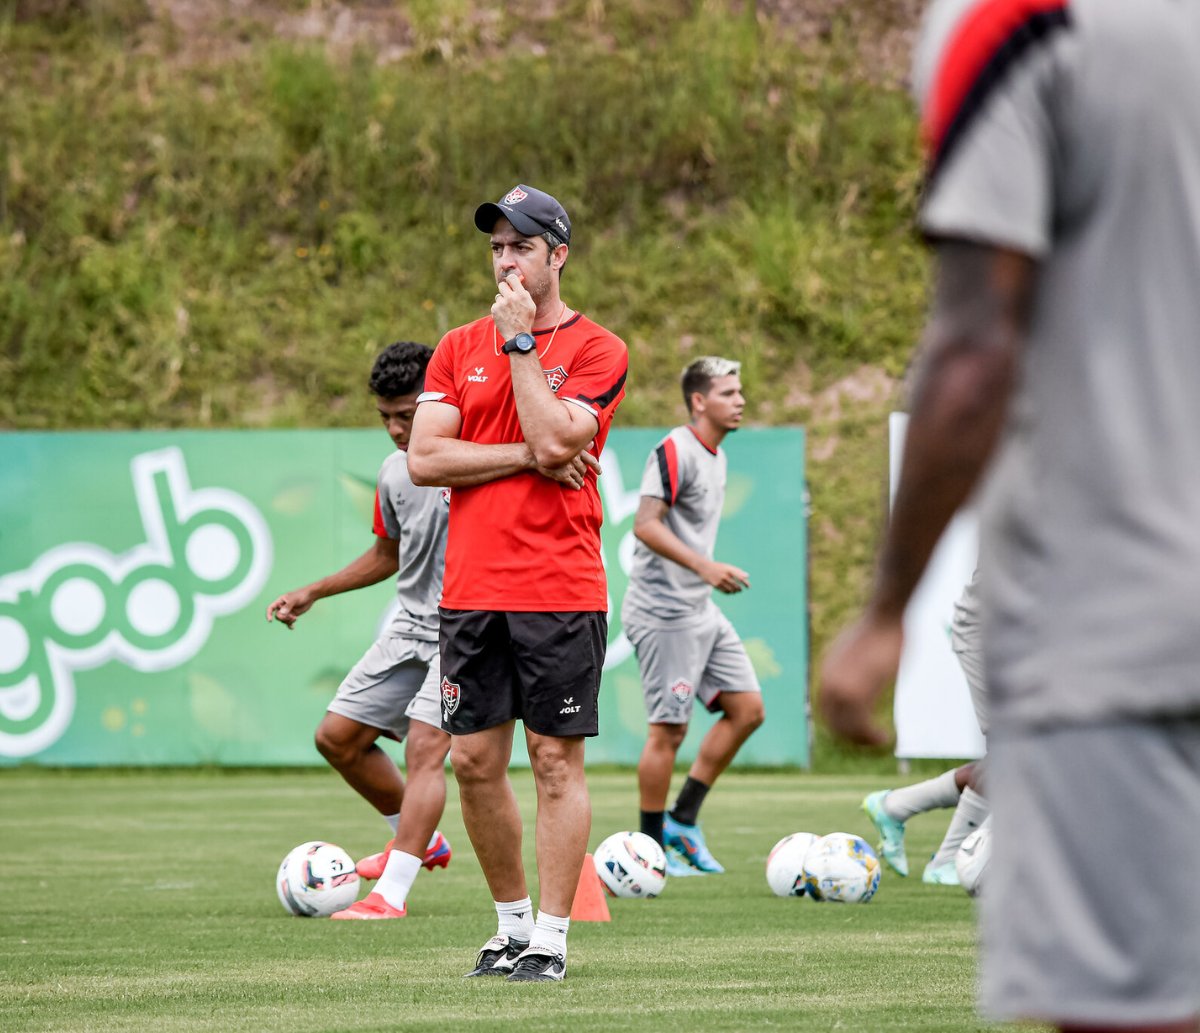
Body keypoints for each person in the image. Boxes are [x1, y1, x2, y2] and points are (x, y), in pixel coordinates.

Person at [820, 2, 1200, 1030]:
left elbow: (979, 343)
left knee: (1132, 1008)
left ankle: (927, 825)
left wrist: (884, 609)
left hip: (1129, 601)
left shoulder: (1015, 24)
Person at [407, 184, 627, 983]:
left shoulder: (599, 347)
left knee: (554, 761)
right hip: (470, 588)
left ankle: (554, 938)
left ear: (557, 256)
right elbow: (426, 459)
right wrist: (531, 456)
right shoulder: (454, 344)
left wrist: (521, 347)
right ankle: (509, 927)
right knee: (471, 761)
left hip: (561, 587)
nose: (505, 262)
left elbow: (555, 429)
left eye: (521, 248)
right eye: (497, 248)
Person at [266, 341, 453, 920]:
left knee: (425, 748)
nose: (396, 430)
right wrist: (314, 590)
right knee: (337, 738)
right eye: (385, 418)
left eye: (407, 414)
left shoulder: (476, 459)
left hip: (467, 632)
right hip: (409, 629)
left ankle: (389, 895)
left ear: (438, 401)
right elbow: (386, 554)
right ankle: (419, 838)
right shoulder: (395, 472)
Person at [621, 356, 764, 877]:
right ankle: (649, 854)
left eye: (740, 391)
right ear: (699, 402)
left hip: (697, 609)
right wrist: (705, 567)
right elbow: (644, 524)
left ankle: (683, 820)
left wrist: (702, 578)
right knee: (668, 733)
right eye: (728, 392)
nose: (740, 400)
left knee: (747, 709)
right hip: (663, 613)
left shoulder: (717, 456)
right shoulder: (674, 450)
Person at [863, 570, 989, 885]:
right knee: (1020, 755)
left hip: (1034, 643)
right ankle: (948, 861)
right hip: (993, 637)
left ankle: (896, 806)